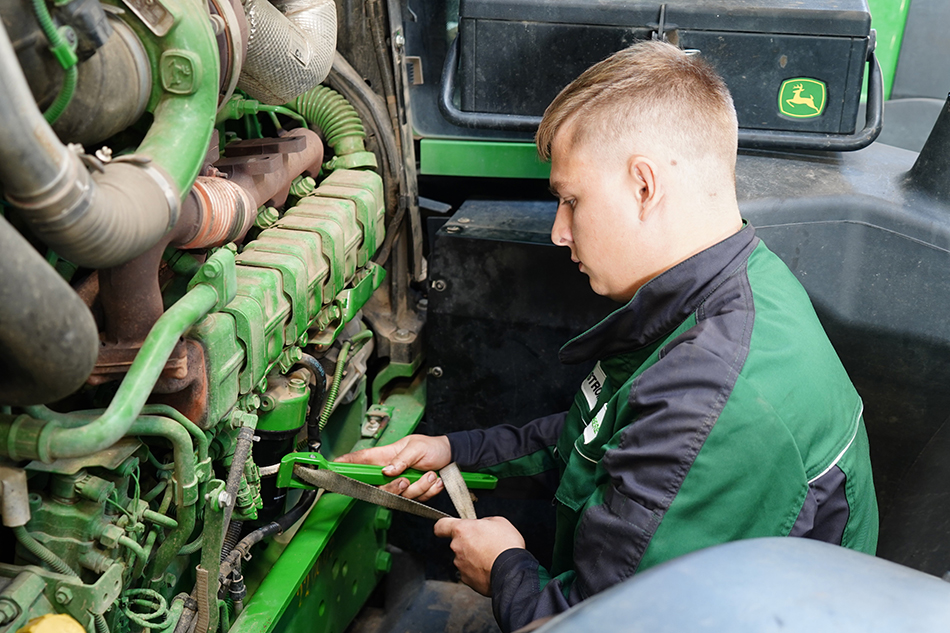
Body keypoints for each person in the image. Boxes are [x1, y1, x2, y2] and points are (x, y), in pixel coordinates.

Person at [338, 40, 878, 632]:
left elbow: (599, 625)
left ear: (644, 186)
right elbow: (599, 437)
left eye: (571, 200)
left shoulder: (714, 396)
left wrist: (504, 570)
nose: (558, 232)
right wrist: (453, 452)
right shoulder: (729, 288)